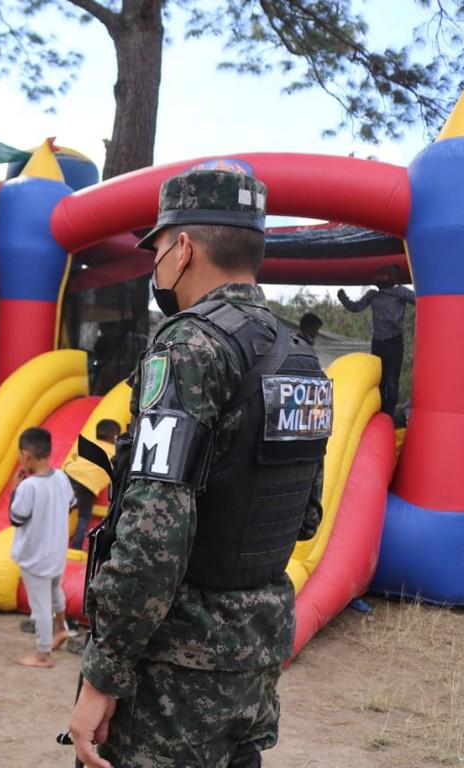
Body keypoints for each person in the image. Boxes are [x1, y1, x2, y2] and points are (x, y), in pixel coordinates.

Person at [69, 170, 329, 767]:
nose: (156, 265)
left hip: (176, 673)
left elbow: (152, 534)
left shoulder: (188, 348)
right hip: (255, 654)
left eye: (158, 248)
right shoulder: (299, 357)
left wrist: (103, 674)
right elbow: (305, 516)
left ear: (182, 248)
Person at [8, 427, 74, 668]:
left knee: (40, 605)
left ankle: (43, 653)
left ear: (26, 455)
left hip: (35, 555)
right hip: (56, 551)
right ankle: (61, 628)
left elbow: (16, 517)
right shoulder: (61, 478)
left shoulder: (28, 487)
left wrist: (14, 490)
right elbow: (70, 504)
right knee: (55, 591)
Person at [337, 266, 415, 416]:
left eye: (383, 275)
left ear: (392, 278)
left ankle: (389, 412)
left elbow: (419, 300)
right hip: (378, 341)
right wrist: (343, 298)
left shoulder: (400, 292)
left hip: (394, 341)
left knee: (391, 381)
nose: (379, 278)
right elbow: (355, 307)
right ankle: (378, 410)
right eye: (377, 275)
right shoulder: (373, 295)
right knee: (379, 378)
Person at [63, 419, 121, 549]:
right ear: (115, 436)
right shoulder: (115, 451)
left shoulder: (90, 444)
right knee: (84, 515)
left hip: (70, 474)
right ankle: (76, 545)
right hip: (88, 484)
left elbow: (74, 455)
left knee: (62, 508)